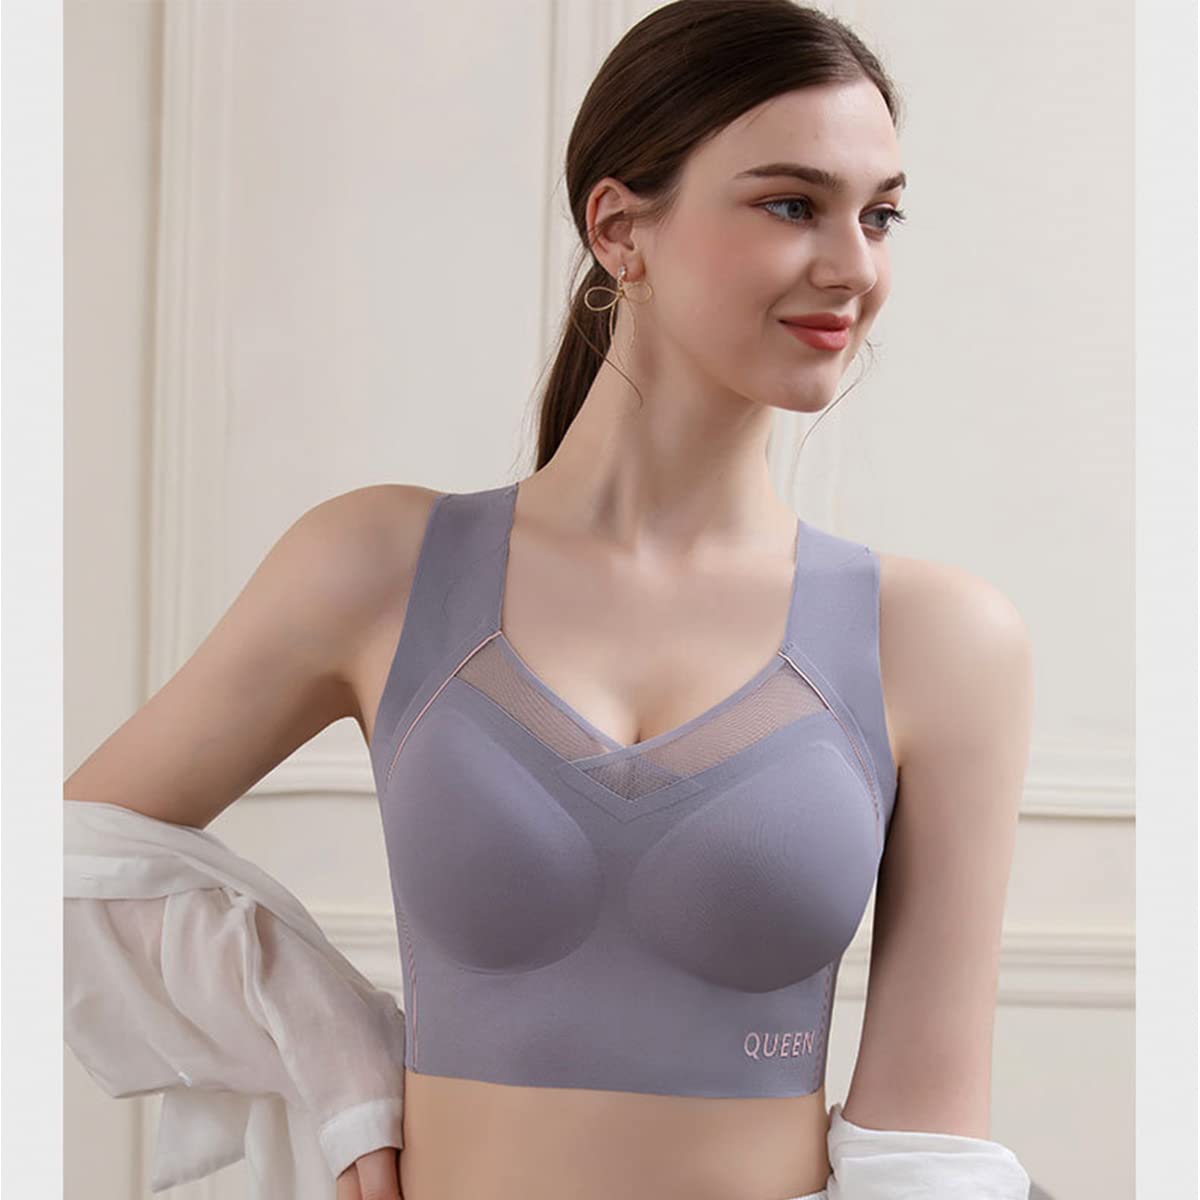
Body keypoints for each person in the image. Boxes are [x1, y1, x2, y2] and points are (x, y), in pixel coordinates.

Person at [64, 2, 1036, 1197]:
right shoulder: (378, 567)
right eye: (793, 205)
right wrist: (338, 1059)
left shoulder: (936, 641)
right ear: (619, 228)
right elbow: (70, 861)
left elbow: (927, 1140)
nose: (855, 267)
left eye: (879, 214)